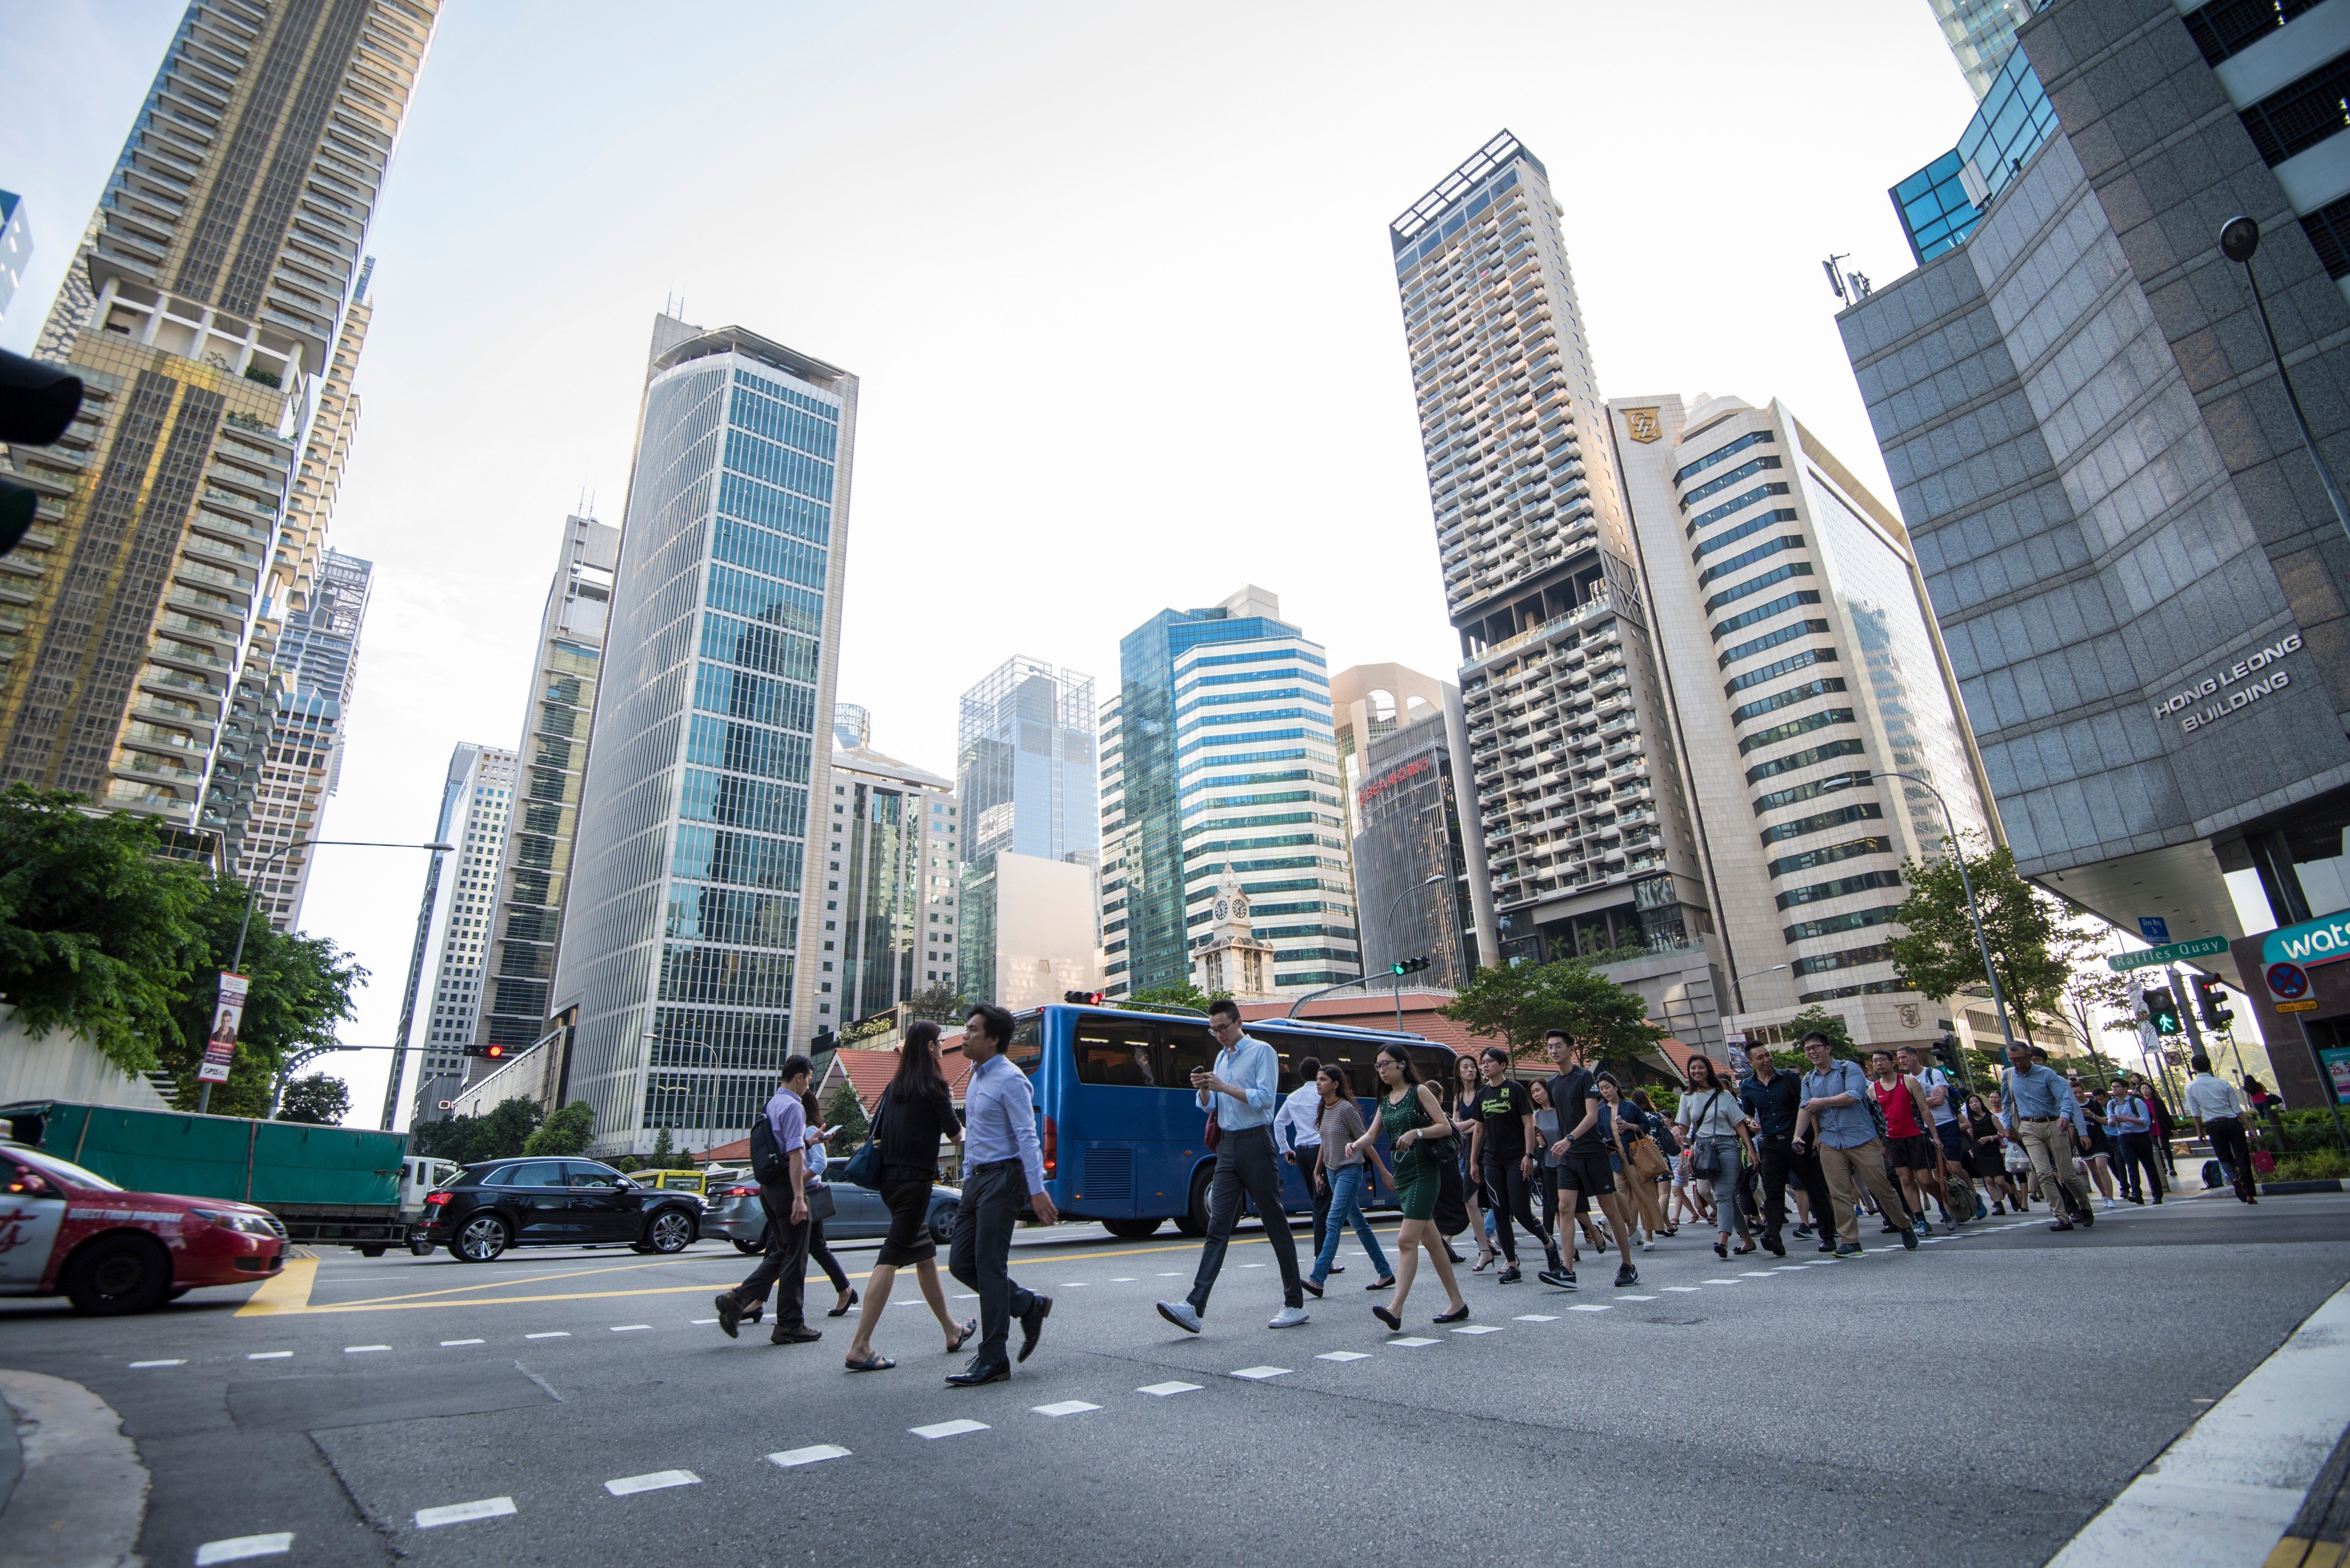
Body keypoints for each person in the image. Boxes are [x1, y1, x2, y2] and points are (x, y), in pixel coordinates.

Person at [1157, 998, 1310, 1333]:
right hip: (1227, 1145)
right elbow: (1210, 1107)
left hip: (1256, 1142)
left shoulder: (1262, 1052)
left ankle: (1295, 1303)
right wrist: (1205, 1091)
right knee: (1217, 1227)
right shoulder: (1221, 1058)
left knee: (1274, 1221)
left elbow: (1265, 1099)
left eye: (1223, 1028)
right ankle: (1195, 1307)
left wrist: (1222, 1085)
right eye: (1214, 1031)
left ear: (1239, 1022)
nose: (1219, 1035)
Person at [840, 1021, 978, 1374]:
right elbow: (956, 1134)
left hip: (889, 1182)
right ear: (931, 1047)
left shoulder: (895, 1086)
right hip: (915, 1183)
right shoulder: (934, 1086)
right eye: (939, 1044)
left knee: (924, 1254)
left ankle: (951, 1330)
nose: (940, 1048)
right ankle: (860, 1345)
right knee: (890, 1257)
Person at [946, 1003, 1059, 1385]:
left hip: (1003, 1178)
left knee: (990, 1268)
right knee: (961, 1263)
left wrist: (1036, 1189)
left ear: (993, 1039)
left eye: (973, 1029)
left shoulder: (1011, 1078)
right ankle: (1028, 1304)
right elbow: (975, 1137)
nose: (965, 1034)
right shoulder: (976, 1077)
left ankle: (994, 1358)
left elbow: (1028, 1136)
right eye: (966, 1028)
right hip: (977, 1180)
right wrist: (966, 1180)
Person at [1350, 1044, 1468, 1328]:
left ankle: (1396, 1308)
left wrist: (1416, 1132)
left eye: (1386, 1064)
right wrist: (1354, 1145)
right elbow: (1372, 1134)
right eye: (1378, 1066)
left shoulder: (1420, 1092)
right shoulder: (1386, 1099)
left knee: (1406, 1241)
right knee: (1432, 1242)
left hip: (1424, 1173)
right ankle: (1458, 1303)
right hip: (1402, 1174)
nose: (1382, 1070)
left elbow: (1444, 1126)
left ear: (1402, 1064)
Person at [714, 1055, 822, 1345]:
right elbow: (795, 1154)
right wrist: (800, 1196)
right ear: (799, 1077)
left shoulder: (772, 1104)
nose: (808, 1088)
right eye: (809, 1080)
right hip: (787, 1188)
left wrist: (810, 1142)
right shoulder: (794, 1107)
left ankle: (737, 1300)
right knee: (796, 1256)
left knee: (781, 1252)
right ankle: (789, 1324)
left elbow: (784, 1146)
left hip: (768, 1188)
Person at [1791, 1033, 1919, 1255]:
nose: (1812, 1052)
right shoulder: (1809, 1079)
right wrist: (1797, 1136)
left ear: (1828, 1049)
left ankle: (1904, 1224)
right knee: (1839, 1192)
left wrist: (1821, 1102)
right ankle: (1849, 1240)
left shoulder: (1847, 1068)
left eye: (1816, 1047)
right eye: (1807, 1049)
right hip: (1831, 1141)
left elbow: (1853, 1095)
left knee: (1880, 1187)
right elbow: (1805, 1107)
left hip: (1861, 1136)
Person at [1543, 1029, 1641, 1289]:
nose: (1553, 1051)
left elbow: (1591, 1116)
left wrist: (1570, 1139)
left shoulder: (1585, 1077)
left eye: (1558, 1046)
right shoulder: (1552, 1083)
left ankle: (1628, 1265)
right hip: (1568, 1156)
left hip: (1591, 1153)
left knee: (1609, 1208)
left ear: (1570, 1048)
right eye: (1550, 1047)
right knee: (1565, 1208)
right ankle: (1566, 1270)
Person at [1467, 1046, 1556, 1285]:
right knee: (1500, 1212)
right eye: (1482, 1062)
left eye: (1489, 1062)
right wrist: (1473, 1161)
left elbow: (1529, 1124)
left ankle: (1548, 1243)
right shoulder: (1483, 1094)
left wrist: (1529, 1154)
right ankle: (1513, 1264)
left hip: (1517, 1159)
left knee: (1521, 1211)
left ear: (1503, 1065)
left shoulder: (1515, 1089)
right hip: (1492, 1162)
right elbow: (1479, 1128)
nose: (1484, 1066)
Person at [1308, 1064, 1392, 1292]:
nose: (1318, 1083)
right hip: (1332, 1172)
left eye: (1323, 1079)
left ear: (1335, 1084)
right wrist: (1317, 1171)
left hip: (1350, 1170)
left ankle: (1317, 1278)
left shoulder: (1346, 1110)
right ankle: (1385, 1272)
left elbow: (1366, 1141)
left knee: (1333, 1221)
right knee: (1359, 1224)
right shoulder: (1325, 1108)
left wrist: (1383, 1171)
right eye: (1317, 1079)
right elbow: (1325, 1142)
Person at [1740, 1045, 1828, 1256]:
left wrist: (1816, 1136)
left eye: (1768, 1055)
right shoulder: (1748, 1085)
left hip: (1797, 1140)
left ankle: (1828, 1235)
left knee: (1815, 1187)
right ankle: (1773, 1237)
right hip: (1770, 1144)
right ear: (1751, 1063)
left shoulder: (1789, 1078)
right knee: (1773, 1192)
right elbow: (1746, 1114)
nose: (1766, 1060)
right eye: (1760, 1058)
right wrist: (1751, 1122)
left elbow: (1807, 1107)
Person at [1999, 1040, 2095, 1231]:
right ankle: (2061, 1216)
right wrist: (2008, 1127)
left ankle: (2084, 1204)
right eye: (2013, 1060)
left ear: (2029, 1057)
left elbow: (2066, 1099)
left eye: (2020, 1059)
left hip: (2053, 1124)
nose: (2017, 1063)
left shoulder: (2047, 1074)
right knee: (2044, 1173)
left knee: (2067, 1175)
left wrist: (2066, 1116)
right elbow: (2006, 1103)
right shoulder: (2008, 1075)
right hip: (2029, 1128)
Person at [1676, 1055, 1755, 1258]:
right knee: (1727, 1197)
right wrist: (1677, 1131)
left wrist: (1751, 1149)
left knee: (1722, 1195)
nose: (1697, 1071)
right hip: (1704, 1150)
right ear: (1689, 1072)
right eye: (1693, 1068)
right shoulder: (1687, 1097)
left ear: (1708, 1070)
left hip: (1727, 1146)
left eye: (1701, 1067)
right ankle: (1748, 1241)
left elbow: (1739, 1124)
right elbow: (1685, 1126)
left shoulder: (1724, 1095)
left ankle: (1723, 1240)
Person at [798, 1090, 857, 1322]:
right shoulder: (807, 1130)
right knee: (815, 1247)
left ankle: (846, 1291)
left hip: (809, 1193)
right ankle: (845, 1291)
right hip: (806, 1193)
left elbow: (820, 1164)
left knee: (810, 1248)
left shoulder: (810, 1130)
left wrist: (797, 1180)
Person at [1867, 1049, 1940, 1235]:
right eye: (1875, 1061)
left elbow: (1924, 1109)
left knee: (1925, 1179)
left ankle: (1944, 1205)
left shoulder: (1908, 1081)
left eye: (1883, 1060)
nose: (1879, 1064)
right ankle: (1920, 1219)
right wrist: (1882, 1143)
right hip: (1893, 1139)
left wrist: (1935, 1136)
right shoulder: (1873, 1089)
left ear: (1893, 1063)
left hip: (1916, 1135)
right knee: (1905, 1179)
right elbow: (1877, 1119)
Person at [1275, 1055, 1337, 1273]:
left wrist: (1285, 1149)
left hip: (1301, 1151)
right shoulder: (1323, 1095)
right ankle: (1323, 1258)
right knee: (1323, 1204)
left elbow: (1278, 1122)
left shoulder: (1293, 1097)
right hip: (1322, 1150)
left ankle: (1324, 1256)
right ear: (1319, 1073)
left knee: (1317, 1200)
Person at [1595, 1074, 1668, 1247]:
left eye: (1607, 1087)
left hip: (1635, 1154)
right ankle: (1631, 1229)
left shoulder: (1630, 1106)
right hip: (1614, 1157)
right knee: (1618, 1194)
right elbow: (1597, 1133)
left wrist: (1629, 1126)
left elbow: (1646, 1125)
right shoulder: (1600, 1111)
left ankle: (1649, 1236)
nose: (1605, 1091)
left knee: (1644, 1194)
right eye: (1602, 1089)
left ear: (1616, 1087)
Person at [1898, 1045, 1966, 1225]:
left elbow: (1939, 1100)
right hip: (1925, 1128)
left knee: (1954, 1167)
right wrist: (1920, 1103)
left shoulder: (1933, 1074)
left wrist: (1916, 1101)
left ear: (1915, 1056)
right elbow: (1910, 1105)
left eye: (1904, 1057)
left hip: (1946, 1124)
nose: (1902, 1061)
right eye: (1899, 1059)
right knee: (1937, 1172)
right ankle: (1949, 1206)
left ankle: (1972, 1195)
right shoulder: (1906, 1080)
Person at [2185, 1055, 2257, 1204]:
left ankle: (2234, 1178)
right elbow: (2237, 1109)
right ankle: (2250, 1194)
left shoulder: (2191, 1087)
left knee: (2224, 1157)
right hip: (2232, 1123)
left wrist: (2200, 1132)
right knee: (2243, 1156)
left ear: (2194, 1068)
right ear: (2210, 1066)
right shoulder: (2223, 1084)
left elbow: (2196, 1113)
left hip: (2214, 1126)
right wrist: (2250, 1128)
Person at [1451, 1052, 1496, 1270]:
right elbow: (1454, 1124)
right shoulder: (1459, 1096)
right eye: (1465, 1067)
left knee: (1499, 1200)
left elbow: (1484, 1122)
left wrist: (1466, 1124)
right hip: (1469, 1149)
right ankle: (1485, 1250)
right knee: (1469, 1199)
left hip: (1489, 1146)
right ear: (1459, 1073)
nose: (1471, 1070)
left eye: (1473, 1067)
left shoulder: (1483, 1092)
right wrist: (1469, 1123)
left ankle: (1508, 1252)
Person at [2104, 1080, 2165, 1205]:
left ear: (2125, 1088)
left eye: (2117, 1087)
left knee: (2149, 1165)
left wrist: (2127, 1119)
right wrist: (2113, 1121)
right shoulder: (2112, 1104)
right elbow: (2110, 1120)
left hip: (2141, 1136)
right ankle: (2137, 1194)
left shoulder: (2136, 1102)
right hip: (2124, 1137)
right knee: (2131, 1165)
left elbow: (2146, 1121)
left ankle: (2157, 1194)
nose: (2114, 1089)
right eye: (2113, 1087)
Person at [1964, 1093, 2016, 1213]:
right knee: (1988, 1180)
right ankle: (1998, 1205)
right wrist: (1971, 1151)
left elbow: (2003, 1133)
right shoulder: (1970, 1120)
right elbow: (1970, 1137)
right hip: (1979, 1152)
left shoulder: (1991, 1117)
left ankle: (2013, 1196)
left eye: (1976, 1101)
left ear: (1981, 1103)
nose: (1974, 1105)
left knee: (2000, 1181)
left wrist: (1990, 1138)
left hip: (1993, 1151)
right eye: (1971, 1103)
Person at [2077, 1087, 2120, 1209]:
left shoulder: (2094, 1103)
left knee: (2102, 1168)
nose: (2078, 1095)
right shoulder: (2071, 1106)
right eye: (2075, 1093)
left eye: (2080, 1092)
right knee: (2094, 1171)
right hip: (2083, 1142)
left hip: (2099, 1140)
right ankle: (2104, 1195)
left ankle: (2111, 1198)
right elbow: (2071, 1128)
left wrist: (2093, 1115)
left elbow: (2105, 1122)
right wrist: (2071, 1146)